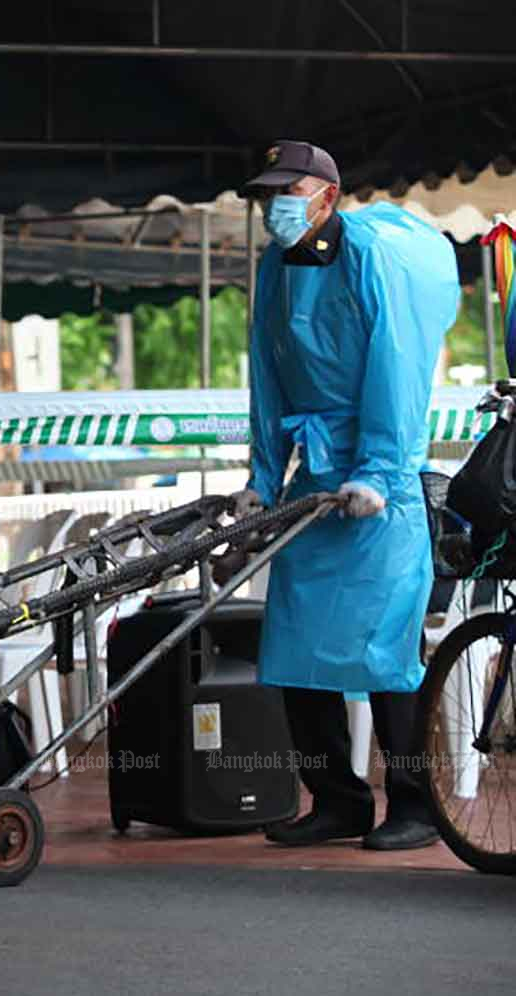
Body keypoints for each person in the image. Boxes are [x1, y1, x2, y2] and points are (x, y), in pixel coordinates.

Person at [236, 140, 459, 851]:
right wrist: (261, 480)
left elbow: (395, 368)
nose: (276, 207)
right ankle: (338, 798)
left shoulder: (370, 258)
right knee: (295, 639)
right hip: (316, 481)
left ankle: (417, 804)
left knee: (387, 649)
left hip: (380, 483)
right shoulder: (275, 266)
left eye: (288, 192)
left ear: (327, 196)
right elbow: (266, 381)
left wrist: (380, 471)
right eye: (269, 194)